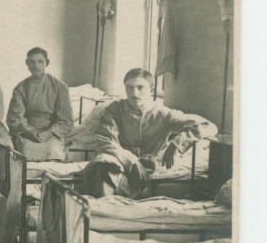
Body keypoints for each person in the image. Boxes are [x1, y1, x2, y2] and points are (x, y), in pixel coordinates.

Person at [82, 68, 214, 198]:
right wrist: (133, 161)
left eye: (140, 88)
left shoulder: (162, 113)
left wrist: (176, 145)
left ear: (151, 90)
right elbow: (106, 141)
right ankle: (103, 209)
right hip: (118, 160)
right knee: (103, 165)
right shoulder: (115, 109)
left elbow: (207, 125)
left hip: (149, 165)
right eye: (129, 88)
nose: (134, 93)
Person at [6, 47, 74, 161]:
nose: (36, 65)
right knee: (23, 150)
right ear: (26, 63)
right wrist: (29, 131)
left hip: (51, 134)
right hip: (26, 133)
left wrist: (50, 132)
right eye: (32, 62)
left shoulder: (60, 87)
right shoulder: (20, 88)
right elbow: (15, 117)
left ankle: (49, 177)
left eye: (40, 61)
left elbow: (66, 120)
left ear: (47, 63)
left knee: (53, 150)